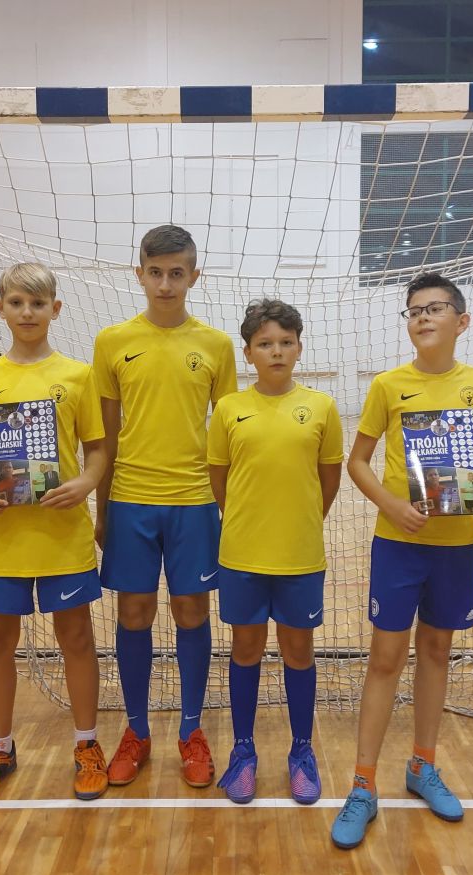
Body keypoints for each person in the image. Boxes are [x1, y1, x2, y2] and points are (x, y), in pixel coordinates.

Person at [331, 272, 473, 849]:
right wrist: (391, 504)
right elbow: (357, 461)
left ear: (462, 321)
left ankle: (421, 766)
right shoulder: (389, 385)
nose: (423, 317)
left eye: (435, 308)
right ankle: (363, 784)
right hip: (399, 545)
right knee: (386, 657)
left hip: (455, 547)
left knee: (436, 652)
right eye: (414, 310)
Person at [0, 262, 110, 803]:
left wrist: (85, 483)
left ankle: (87, 744)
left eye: (38, 303)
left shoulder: (78, 375)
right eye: (17, 302)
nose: (27, 312)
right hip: (5, 537)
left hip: (62, 532)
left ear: (55, 310)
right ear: (0, 308)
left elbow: (97, 450)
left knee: (77, 638)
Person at [92, 225, 238, 789]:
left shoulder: (216, 345)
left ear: (194, 276)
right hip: (131, 499)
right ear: (140, 274)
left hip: (194, 502)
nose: (165, 284)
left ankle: (192, 731)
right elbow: (103, 437)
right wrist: (102, 510)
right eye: (155, 272)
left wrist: (230, 509)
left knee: (192, 613)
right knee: (133, 614)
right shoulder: (112, 341)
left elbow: (229, 438)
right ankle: (135, 731)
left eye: (177, 273)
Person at [207, 299, 343, 805]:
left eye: (286, 342)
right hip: (242, 556)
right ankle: (243, 752)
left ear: (299, 347)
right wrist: (248, 522)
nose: (277, 351)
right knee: (245, 650)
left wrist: (298, 522)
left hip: (299, 556)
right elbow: (219, 479)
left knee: (298, 651)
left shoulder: (321, 407)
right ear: (248, 353)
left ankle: (301, 752)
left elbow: (328, 480)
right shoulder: (229, 409)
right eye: (265, 343)